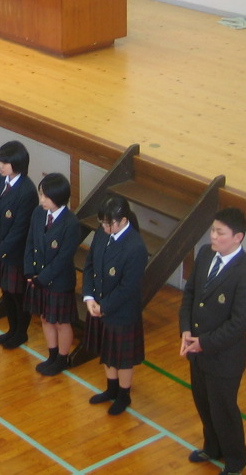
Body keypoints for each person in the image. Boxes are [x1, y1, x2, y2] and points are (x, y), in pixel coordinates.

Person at [180, 208, 246, 475]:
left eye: (220, 233)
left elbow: (239, 324)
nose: (213, 236)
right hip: (197, 351)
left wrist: (203, 342)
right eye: (213, 230)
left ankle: (236, 460)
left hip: (224, 358)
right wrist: (185, 330)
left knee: (223, 410)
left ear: (238, 237)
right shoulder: (206, 254)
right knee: (203, 404)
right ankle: (212, 447)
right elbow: (191, 294)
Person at [83, 195, 147, 415]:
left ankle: (123, 395)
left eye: (109, 224)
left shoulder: (135, 247)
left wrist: (104, 306)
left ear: (123, 220)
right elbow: (90, 264)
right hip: (100, 303)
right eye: (102, 223)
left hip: (122, 311)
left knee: (123, 358)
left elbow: (128, 287)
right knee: (107, 350)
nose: (104, 227)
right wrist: (89, 297)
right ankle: (111, 389)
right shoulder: (103, 232)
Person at [23, 173, 80, 373]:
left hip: (59, 282)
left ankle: (62, 359)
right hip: (38, 277)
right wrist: (29, 270)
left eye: (46, 196)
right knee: (46, 318)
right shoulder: (38, 213)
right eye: (41, 194)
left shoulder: (71, 223)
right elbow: (30, 241)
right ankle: (52, 355)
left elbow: (63, 258)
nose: (42, 200)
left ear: (59, 197)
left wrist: (43, 278)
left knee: (61, 322)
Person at [0, 141, 39, 349]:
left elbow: (20, 229)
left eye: (5, 162)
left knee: (18, 295)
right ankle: (11, 329)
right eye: (0, 161)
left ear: (17, 163)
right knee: (6, 292)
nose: (0, 166)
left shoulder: (27, 191)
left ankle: (20, 333)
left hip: (16, 253)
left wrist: (0, 250)